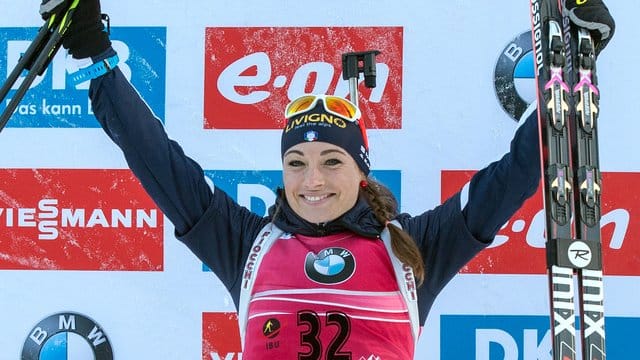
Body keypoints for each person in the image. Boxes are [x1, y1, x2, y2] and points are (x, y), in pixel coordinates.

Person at [39, 0, 615, 358]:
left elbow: (513, 176)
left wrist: (575, 74)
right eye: (297, 163)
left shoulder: (410, 249)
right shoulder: (246, 244)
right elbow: (155, 157)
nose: (312, 179)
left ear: (362, 170)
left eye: (332, 161)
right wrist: (95, 52)